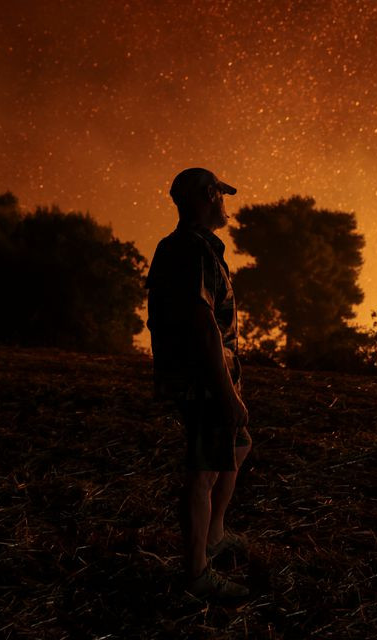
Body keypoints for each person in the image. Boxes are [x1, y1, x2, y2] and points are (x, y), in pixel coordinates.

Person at [144, 167, 252, 600]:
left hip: (205, 372)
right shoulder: (193, 251)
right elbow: (203, 324)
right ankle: (196, 573)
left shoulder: (181, 247)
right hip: (202, 378)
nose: (225, 204)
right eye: (221, 196)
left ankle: (215, 535)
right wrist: (226, 392)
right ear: (210, 195)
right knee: (203, 472)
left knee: (238, 444)